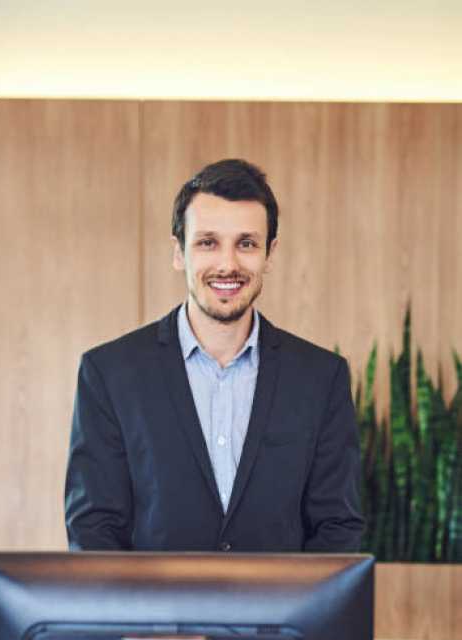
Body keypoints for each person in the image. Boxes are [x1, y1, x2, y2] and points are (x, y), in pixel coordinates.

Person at [65, 158, 363, 552]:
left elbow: (338, 529)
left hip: (281, 597)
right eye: (208, 242)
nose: (227, 264)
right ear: (179, 252)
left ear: (269, 254)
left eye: (246, 244)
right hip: (153, 597)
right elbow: (94, 532)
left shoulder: (321, 378)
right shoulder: (109, 373)